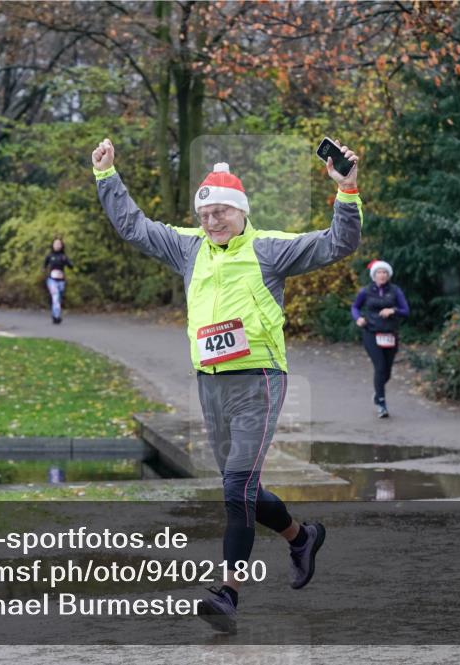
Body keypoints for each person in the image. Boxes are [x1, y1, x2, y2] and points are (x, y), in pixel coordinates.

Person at [91, 137, 363, 633]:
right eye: (206, 213)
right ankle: (302, 538)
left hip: (259, 381)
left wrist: (347, 192)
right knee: (244, 489)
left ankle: (228, 593)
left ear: (241, 213)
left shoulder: (269, 250)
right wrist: (107, 177)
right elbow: (134, 226)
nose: (213, 221)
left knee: (236, 486)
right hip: (210, 386)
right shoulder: (189, 248)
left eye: (222, 212)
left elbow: (337, 244)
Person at [351, 260, 409, 418]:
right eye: (379, 272)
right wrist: (358, 319)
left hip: (390, 334)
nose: (382, 275)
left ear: (388, 275)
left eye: (384, 272)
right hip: (371, 333)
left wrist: (393, 310)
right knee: (380, 366)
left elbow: (406, 310)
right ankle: (381, 404)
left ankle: (378, 393)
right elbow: (355, 307)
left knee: (387, 372)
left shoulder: (395, 291)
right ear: (374, 275)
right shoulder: (366, 291)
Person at [43, 237, 74, 324]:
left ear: (62, 245)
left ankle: (54, 314)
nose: (57, 246)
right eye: (55, 244)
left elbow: (71, 266)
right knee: (55, 297)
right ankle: (57, 317)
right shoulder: (50, 256)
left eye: (59, 244)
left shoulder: (63, 257)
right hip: (52, 280)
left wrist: (68, 263)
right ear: (52, 245)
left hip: (61, 281)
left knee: (58, 299)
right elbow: (44, 266)